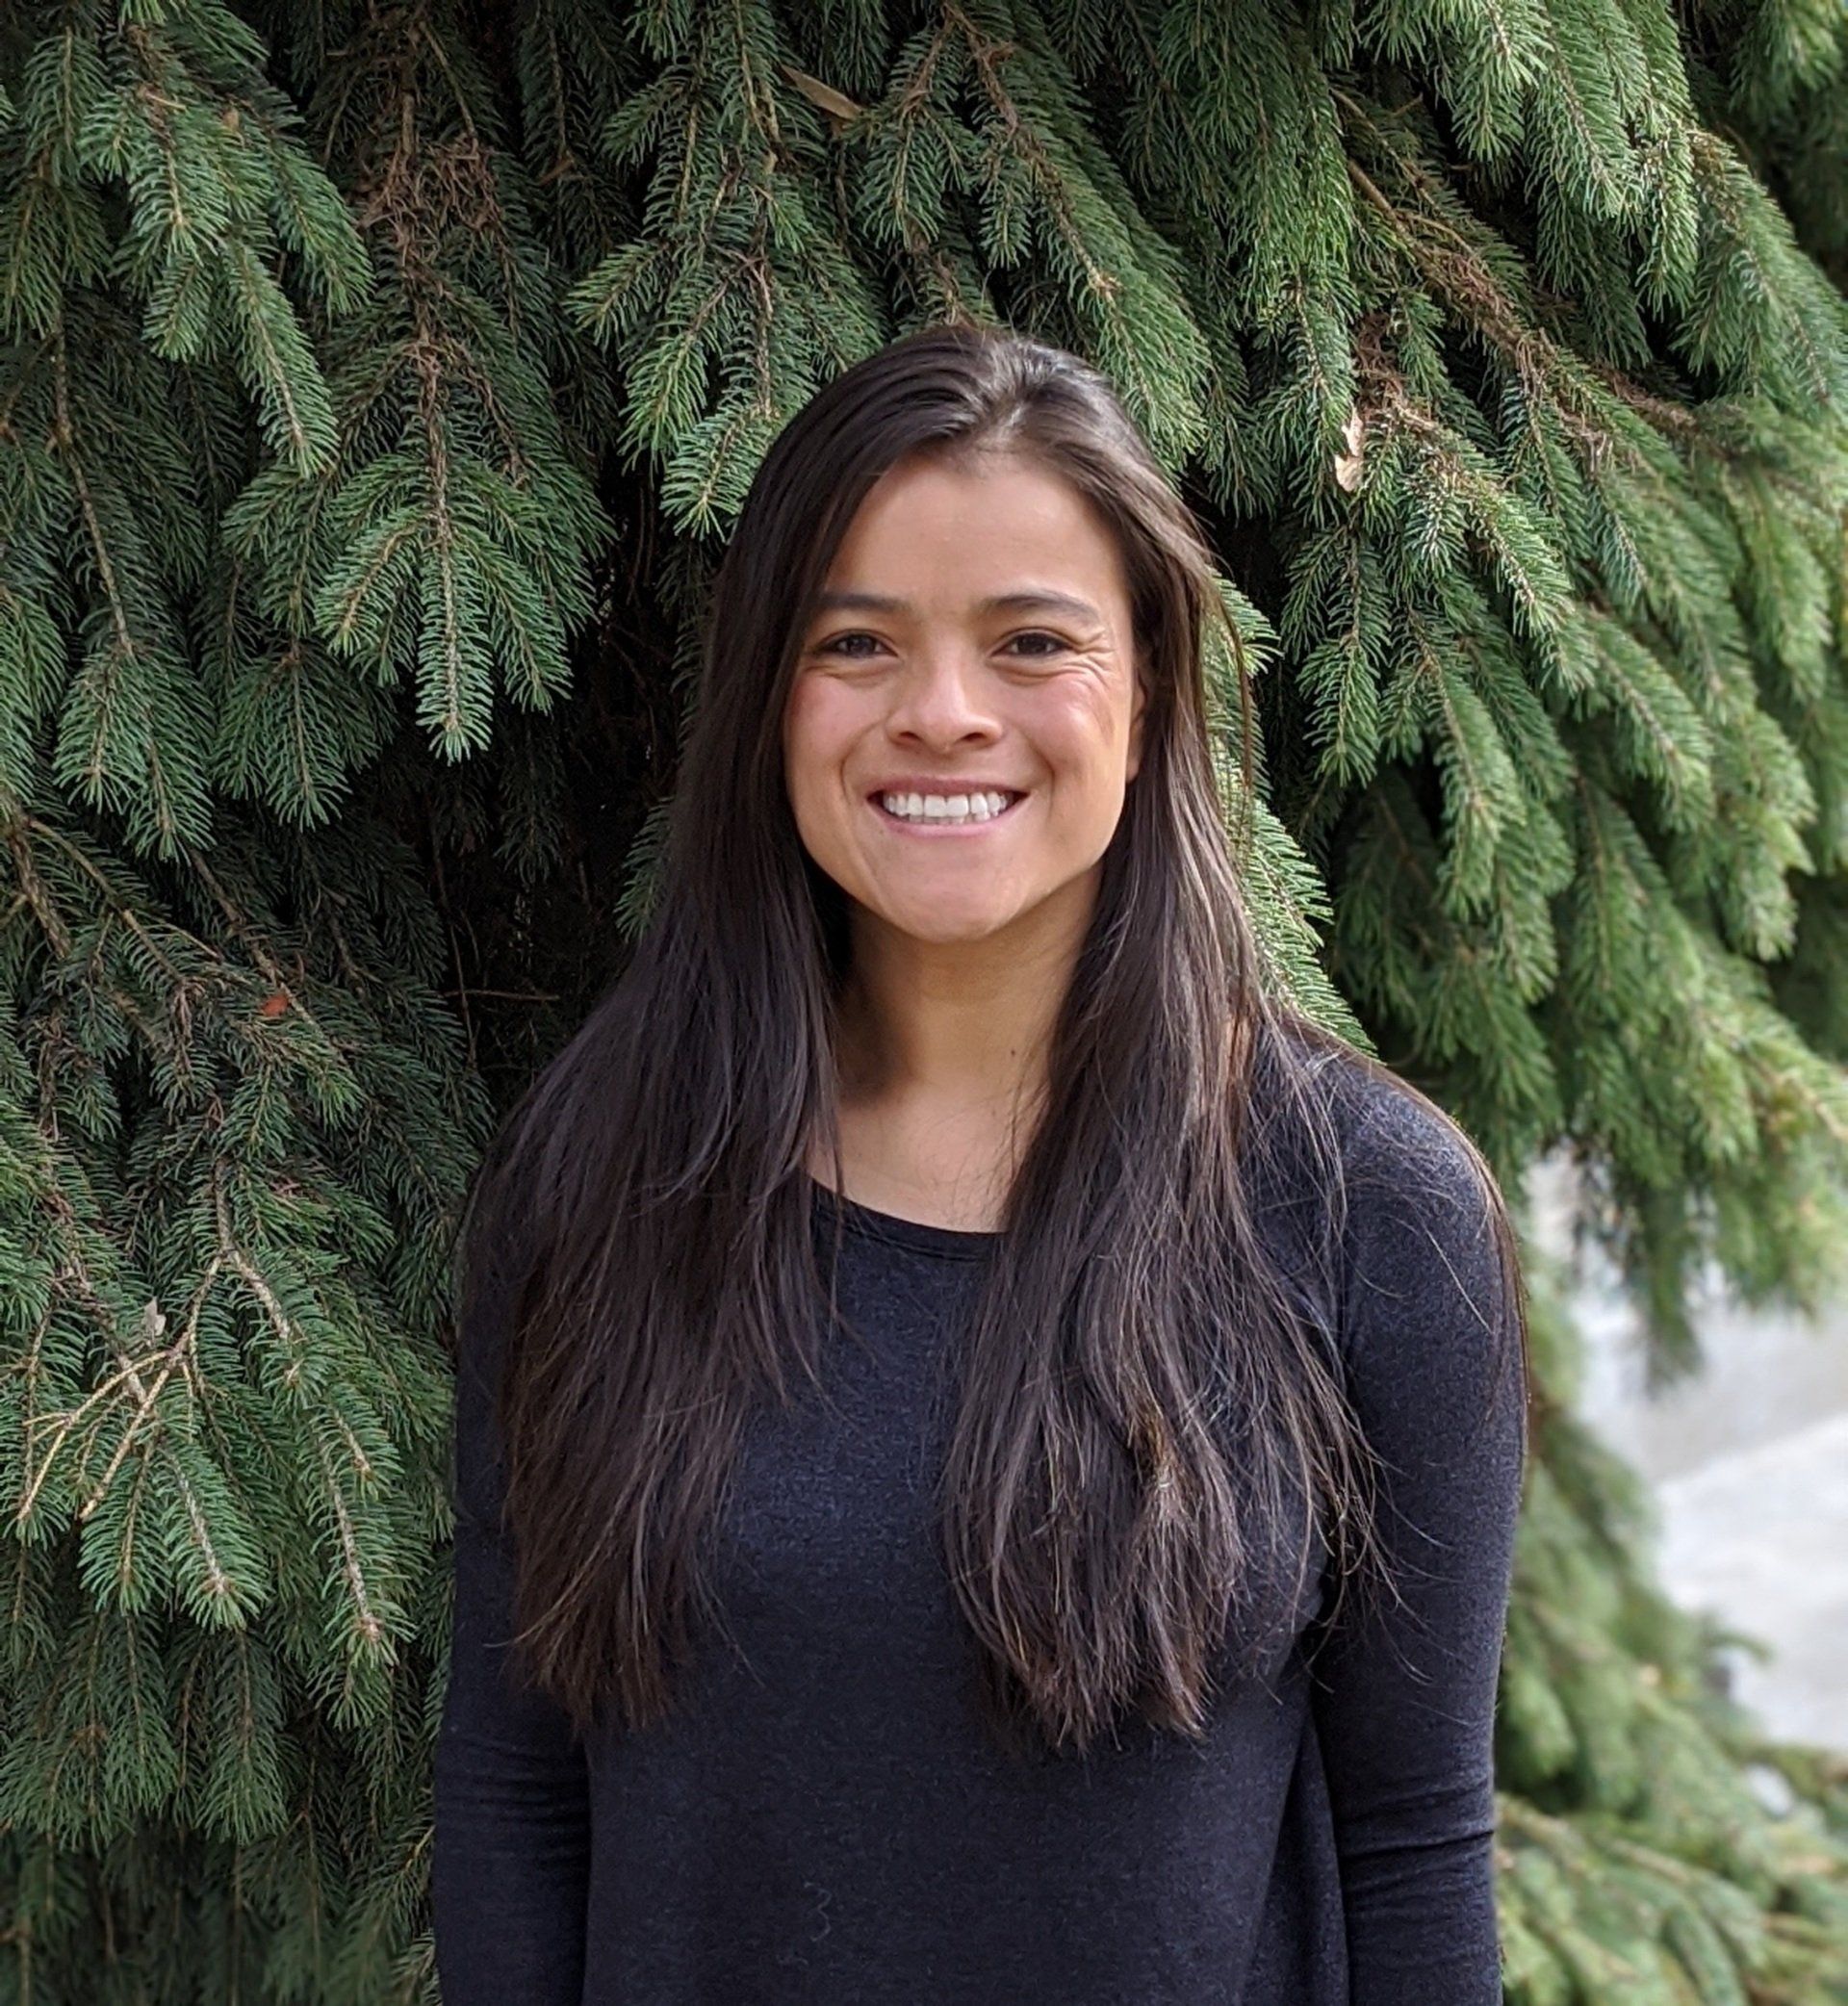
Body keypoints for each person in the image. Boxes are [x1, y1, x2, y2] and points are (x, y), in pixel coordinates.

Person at [432, 321, 1532, 2005]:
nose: (943, 714)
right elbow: (516, 1788)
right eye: (857, 640)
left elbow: (1414, 1839)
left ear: (1151, 685)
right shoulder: (605, 1176)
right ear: (770, 696)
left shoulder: (1371, 1212)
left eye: (1032, 641)